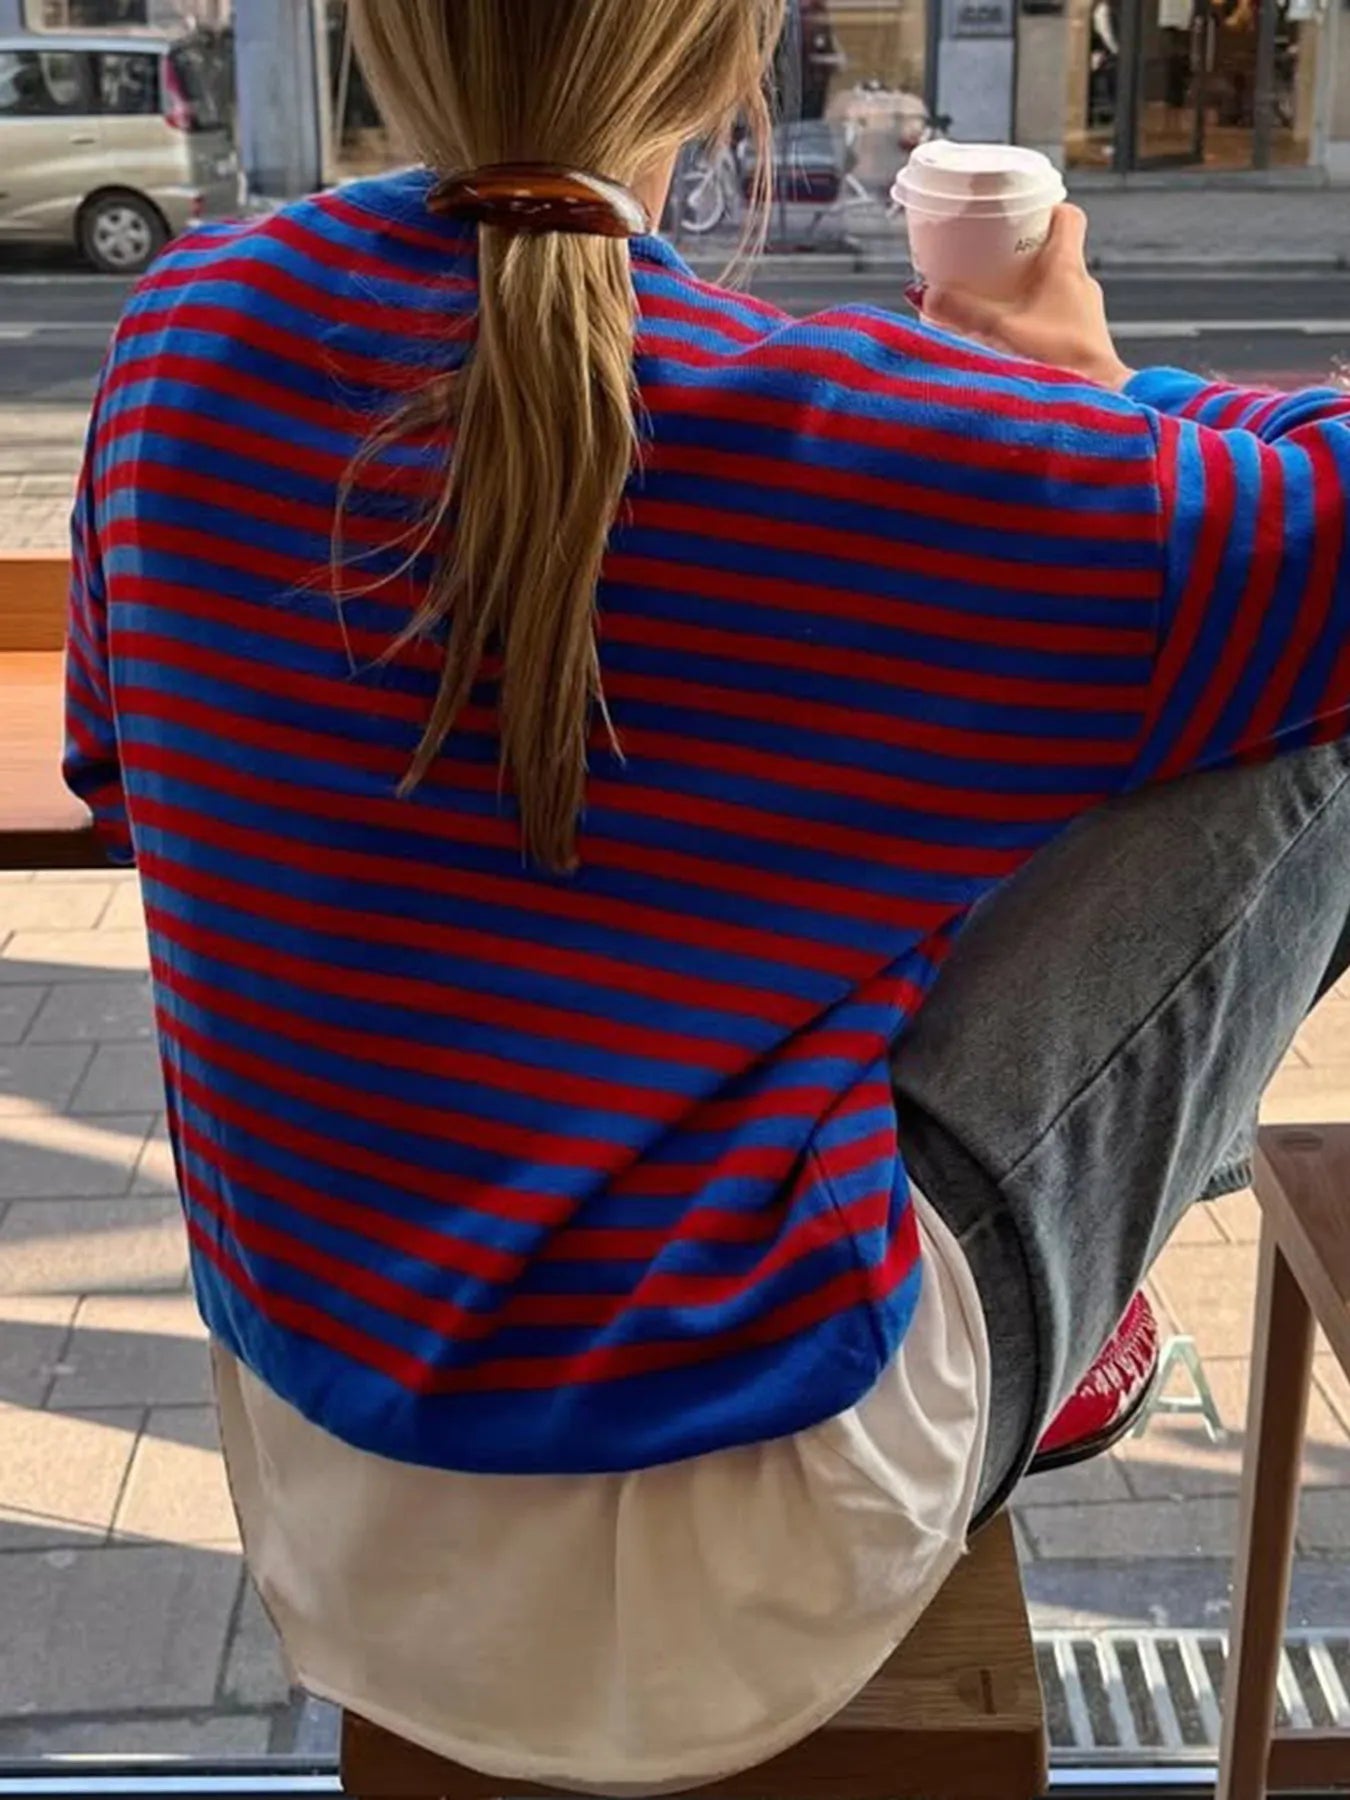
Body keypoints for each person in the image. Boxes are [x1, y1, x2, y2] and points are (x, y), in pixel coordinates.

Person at [63, 0, 1350, 1791]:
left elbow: (131, 778)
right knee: (1300, 725)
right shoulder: (875, 442)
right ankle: (1077, 1293)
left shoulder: (178, 333)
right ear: (728, 63)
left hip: (336, 1513)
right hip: (754, 1562)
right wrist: (1100, 404)